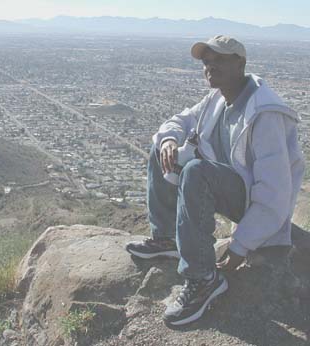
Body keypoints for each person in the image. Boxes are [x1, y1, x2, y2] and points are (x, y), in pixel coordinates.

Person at [126, 35, 305, 327]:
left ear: (241, 63)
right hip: (228, 188)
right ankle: (167, 237)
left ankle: (202, 278)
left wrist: (239, 247)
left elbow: (275, 195)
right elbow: (180, 121)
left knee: (197, 170)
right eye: (207, 62)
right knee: (162, 146)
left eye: (219, 60)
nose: (210, 67)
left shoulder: (265, 113)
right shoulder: (219, 98)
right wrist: (170, 138)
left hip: (255, 203)